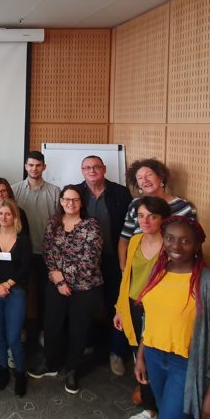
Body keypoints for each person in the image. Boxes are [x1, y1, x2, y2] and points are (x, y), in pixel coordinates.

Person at [134, 216, 210, 419]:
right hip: (154, 358)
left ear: (197, 245)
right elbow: (149, 319)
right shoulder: (158, 272)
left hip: (186, 367)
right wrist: (141, 356)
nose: (176, 246)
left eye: (185, 241)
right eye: (170, 238)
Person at [35, 185, 103, 394]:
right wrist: (57, 278)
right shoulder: (53, 223)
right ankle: (51, 363)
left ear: (81, 202)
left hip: (84, 287)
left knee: (78, 329)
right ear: (61, 201)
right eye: (66, 199)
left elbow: (90, 259)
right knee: (52, 325)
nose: (70, 203)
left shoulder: (91, 225)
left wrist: (64, 280)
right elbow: (48, 251)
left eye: (75, 199)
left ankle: (73, 370)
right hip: (56, 284)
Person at [113, 196, 171, 419]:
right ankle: (150, 411)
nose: (145, 221)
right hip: (134, 306)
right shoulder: (135, 240)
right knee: (139, 358)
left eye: (152, 216)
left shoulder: (172, 245)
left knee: (156, 360)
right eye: (141, 216)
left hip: (160, 311)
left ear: (163, 219)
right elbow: (128, 278)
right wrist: (120, 308)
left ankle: (166, 416)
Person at [73, 155, 133, 375]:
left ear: (104, 169)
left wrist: (124, 261)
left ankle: (116, 352)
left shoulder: (121, 193)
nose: (92, 171)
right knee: (87, 306)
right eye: (87, 167)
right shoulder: (75, 193)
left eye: (96, 167)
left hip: (113, 260)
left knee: (116, 304)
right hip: (84, 263)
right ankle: (88, 344)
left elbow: (129, 228)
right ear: (82, 171)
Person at [13, 150, 60, 362]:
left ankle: (41, 331)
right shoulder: (14, 190)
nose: (34, 168)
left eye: (38, 165)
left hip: (45, 253)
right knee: (20, 293)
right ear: (25, 166)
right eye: (30, 165)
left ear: (44, 167)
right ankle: (22, 329)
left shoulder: (55, 191)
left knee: (43, 295)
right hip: (19, 253)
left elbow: (58, 223)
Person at [0, 198, 31, 396]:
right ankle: (3, 369)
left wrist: (8, 284)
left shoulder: (23, 239)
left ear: (15, 216)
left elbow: (25, 267)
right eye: (0, 213)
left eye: (8, 214)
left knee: (13, 337)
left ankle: (20, 373)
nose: (4, 217)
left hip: (15, 290)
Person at [118, 158, 196, 268]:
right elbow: (125, 238)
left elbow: (191, 242)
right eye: (139, 178)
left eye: (149, 175)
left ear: (161, 177)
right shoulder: (135, 204)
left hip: (170, 266)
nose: (145, 180)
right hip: (138, 264)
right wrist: (123, 266)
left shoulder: (182, 207)